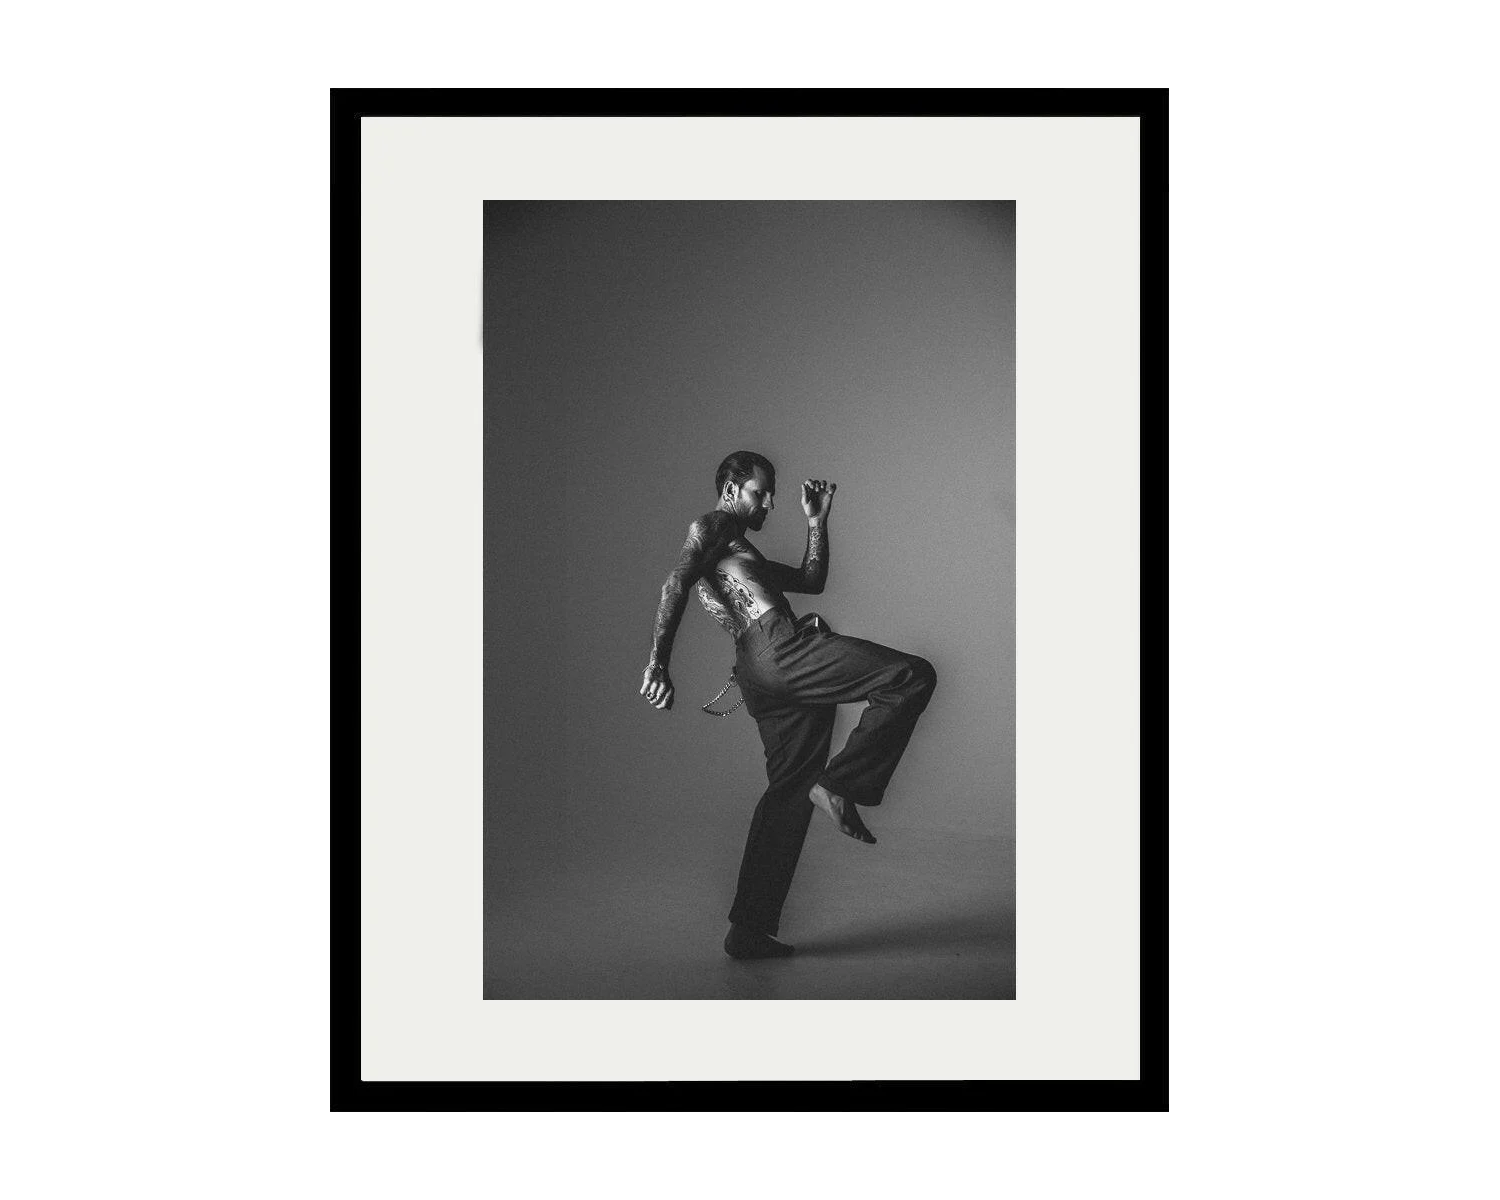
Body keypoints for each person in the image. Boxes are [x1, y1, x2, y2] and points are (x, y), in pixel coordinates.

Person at [640, 451, 937, 960]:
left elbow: (811, 579)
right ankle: (840, 785)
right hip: (779, 650)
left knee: (790, 791)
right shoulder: (713, 525)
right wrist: (657, 662)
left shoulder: (739, 550)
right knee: (911, 676)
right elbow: (675, 582)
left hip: (759, 673)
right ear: (731, 490)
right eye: (761, 493)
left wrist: (816, 523)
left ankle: (749, 931)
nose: (770, 503)